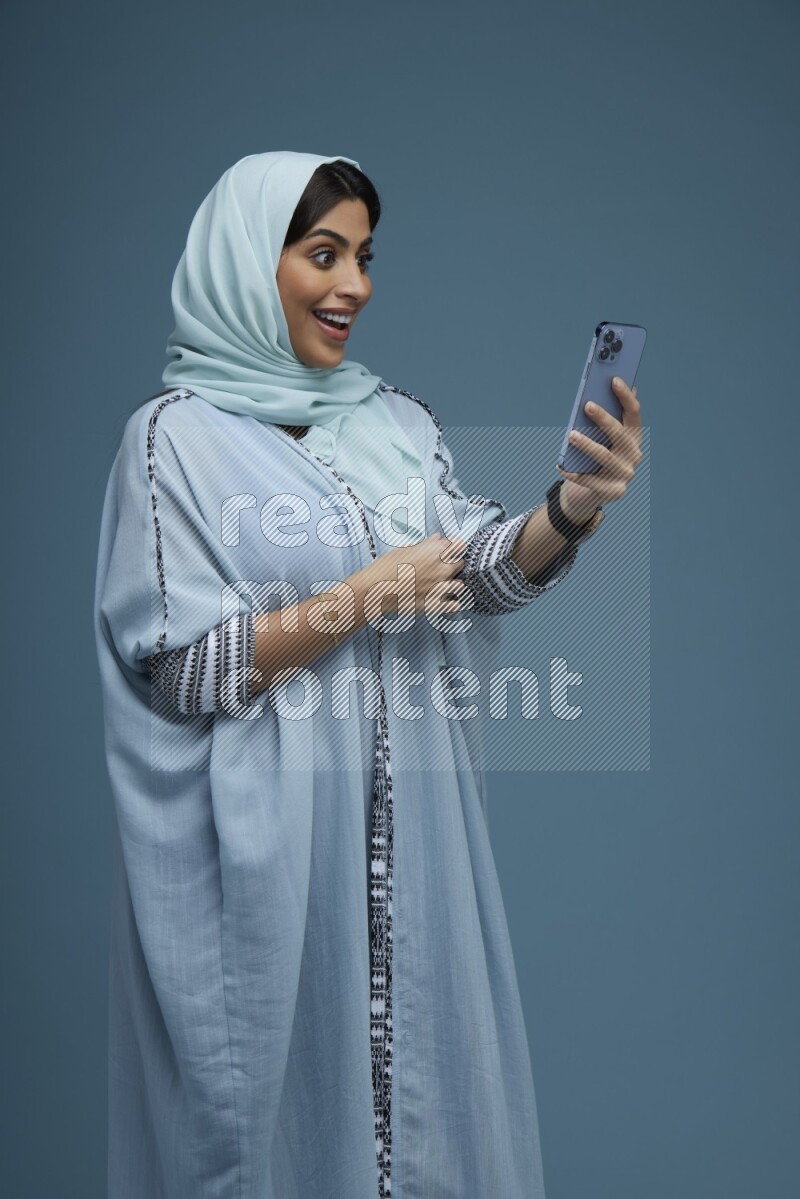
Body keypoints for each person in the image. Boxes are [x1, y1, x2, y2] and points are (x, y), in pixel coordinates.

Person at [94, 150, 643, 1199]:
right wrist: (361, 597)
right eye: (323, 253)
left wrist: (569, 508)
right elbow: (178, 667)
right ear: (245, 265)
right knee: (270, 1132)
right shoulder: (173, 444)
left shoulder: (394, 422)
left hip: (416, 855)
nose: (355, 283)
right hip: (272, 863)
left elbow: (475, 570)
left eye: (364, 256)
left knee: (428, 1123)